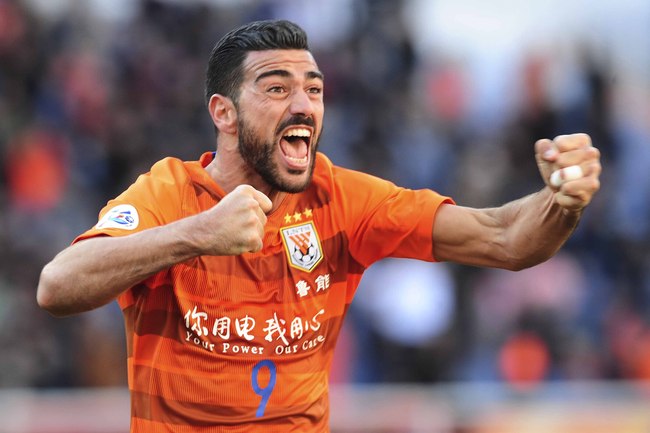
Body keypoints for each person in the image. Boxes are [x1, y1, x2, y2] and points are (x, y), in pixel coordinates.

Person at [36, 19, 601, 432]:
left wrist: (562, 200)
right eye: (277, 88)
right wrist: (198, 234)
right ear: (223, 113)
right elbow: (57, 286)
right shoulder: (170, 193)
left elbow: (505, 238)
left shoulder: (342, 198)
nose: (303, 104)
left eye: (313, 88)